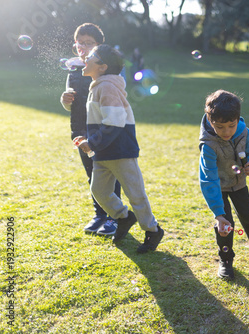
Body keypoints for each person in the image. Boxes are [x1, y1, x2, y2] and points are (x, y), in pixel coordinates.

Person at [74, 44, 164, 253]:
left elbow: (114, 122)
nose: (85, 57)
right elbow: (103, 121)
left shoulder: (106, 86)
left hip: (120, 151)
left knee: (135, 194)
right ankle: (124, 217)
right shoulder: (98, 84)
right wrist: (88, 138)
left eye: (92, 56)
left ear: (103, 67)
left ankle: (153, 230)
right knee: (99, 190)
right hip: (104, 152)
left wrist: (93, 142)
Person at [199, 89, 249, 280]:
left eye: (231, 126)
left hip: (239, 184)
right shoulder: (208, 145)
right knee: (225, 225)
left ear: (238, 119)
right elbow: (208, 178)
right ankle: (225, 259)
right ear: (210, 122)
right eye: (220, 127)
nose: (226, 132)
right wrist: (218, 213)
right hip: (219, 188)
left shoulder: (244, 132)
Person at [60, 23, 121, 236]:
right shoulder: (74, 69)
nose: (84, 47)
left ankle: (115, 217)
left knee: (108, 173)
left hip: (102, 131)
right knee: (92, 174)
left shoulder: (107, 68)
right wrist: (65, 99)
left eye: (89, 43)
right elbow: (71, 103)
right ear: (75, 45)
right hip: (81, 130)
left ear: (99, 46)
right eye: (81, 43)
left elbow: (115, 96)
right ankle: (100, 215)